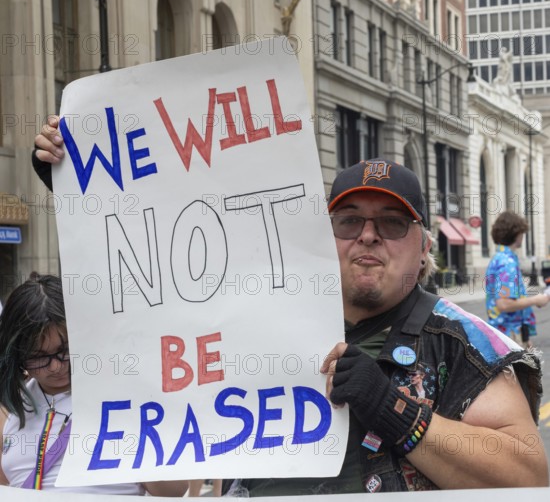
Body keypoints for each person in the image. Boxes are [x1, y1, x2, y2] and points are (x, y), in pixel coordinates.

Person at [33, 127, 549, 492]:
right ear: (325, 236)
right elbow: (173, 480)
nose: (367, 234)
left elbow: (528, 475)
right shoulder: (252, 320)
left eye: (391, 222)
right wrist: (83, 184)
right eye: (348, 220)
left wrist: (392, 409)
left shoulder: (461, 341)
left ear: (422, 245)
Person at [0, 273, 188, 496]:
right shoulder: (12, 409)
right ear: (18, 355)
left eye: (65, 351)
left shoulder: (126, 396)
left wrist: (136, 440)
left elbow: (175, 490)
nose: (55, 367)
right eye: (39, 356)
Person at [485, 211, 549, 348]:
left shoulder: (499, 258)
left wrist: (525, 339)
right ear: (516, 234)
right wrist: (536, 300)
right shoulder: (507, 262)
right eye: (522, 233)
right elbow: (504, 304)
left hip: (507, 333)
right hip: (509, 335)